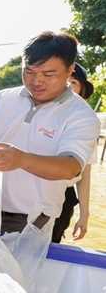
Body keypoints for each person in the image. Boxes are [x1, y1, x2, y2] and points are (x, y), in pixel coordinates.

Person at [0, 32, 101, 234]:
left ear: (70, 71)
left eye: (48, 74)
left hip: (32, 220)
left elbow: (71, 166)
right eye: (29, 71)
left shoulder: (81, 116)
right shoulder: (1, 99)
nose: (36, 81)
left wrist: (22, 160)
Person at [51, 63, 95, 242]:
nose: (67, 85)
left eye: (73, 82)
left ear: (82, 91)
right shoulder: (36, 113)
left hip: (63, 197)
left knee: (48, 248)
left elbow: (84, 172)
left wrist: (84, 215)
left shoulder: (87, 123)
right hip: (27, 193)